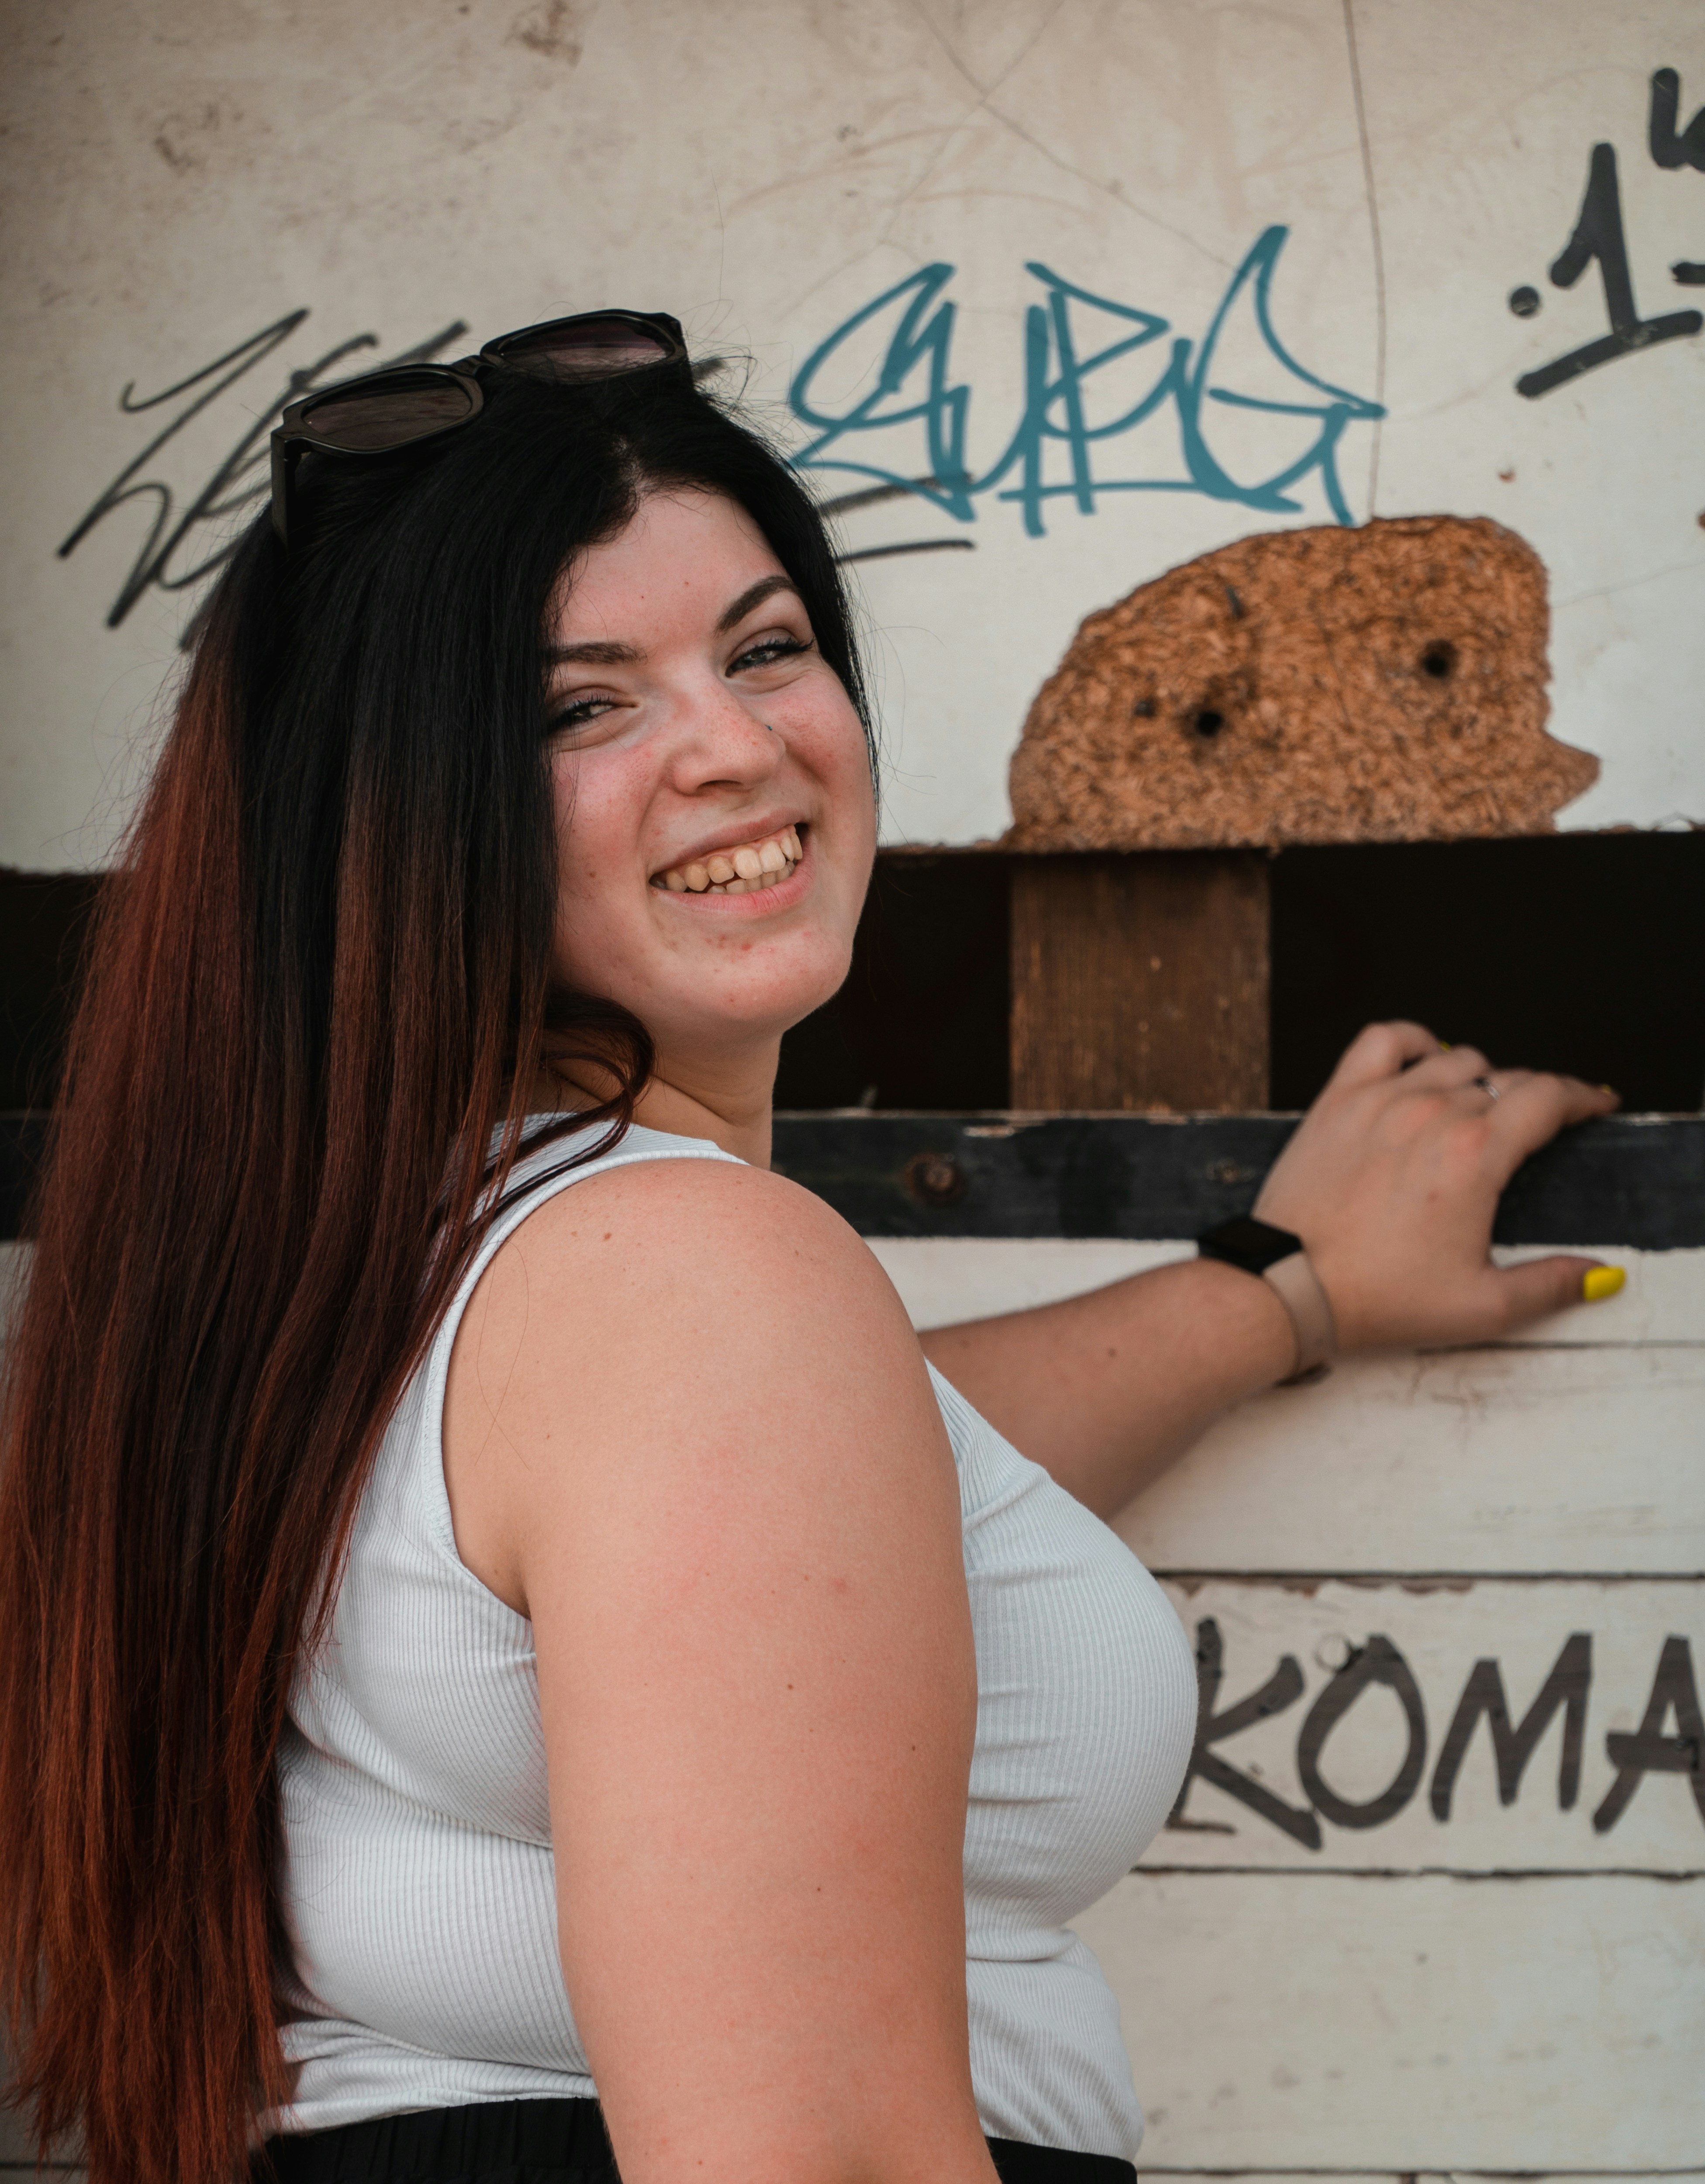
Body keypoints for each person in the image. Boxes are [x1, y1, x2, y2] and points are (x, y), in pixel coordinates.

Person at [0, 315, 1622, 2184]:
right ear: (401, 815)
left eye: (765, 648)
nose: (735, 745)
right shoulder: (690, 1284)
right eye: (579, 704)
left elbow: (801, 1517)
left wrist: (1278, 1285)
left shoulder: (381, 1265)